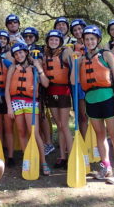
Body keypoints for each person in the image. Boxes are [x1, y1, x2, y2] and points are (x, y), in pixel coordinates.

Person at [71, 25, 114, 184]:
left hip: (108, 97)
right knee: (100, 135)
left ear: (98, 40)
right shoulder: (81, 59)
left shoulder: (106, 54)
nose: (89, 42)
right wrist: (75, 61)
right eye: (86, 39)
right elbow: (73, 81)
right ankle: (106, 167)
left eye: (92, 39)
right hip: (91, 100)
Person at [5, 43, 51, 175]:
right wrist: (9, 107)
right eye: (16, 54)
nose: (19, 55)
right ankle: (28, 160)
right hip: (16, 102)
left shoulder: (34, 67)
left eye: (21, 53)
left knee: (34, 133)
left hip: (31, 102)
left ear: (26, 53)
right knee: (21, 132)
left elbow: (46, 84)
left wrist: (39, 68)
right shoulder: (13, 68)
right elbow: (7, 89)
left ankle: (43, 162)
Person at [43, 30, 74, 169]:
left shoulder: (66, 52)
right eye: (51, 40)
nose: (53, 42)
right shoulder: (45, 54)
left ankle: (72, 155)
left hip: (63, 91)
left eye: (56, 40)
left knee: (64, 126)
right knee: (59, 126)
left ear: (60, 41)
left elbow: (73, 68)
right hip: (51, 92)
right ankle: (62, 156)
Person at [21, 27, 54, 155]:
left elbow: (39, 62)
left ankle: (48, 143)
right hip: (27, 85)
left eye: (31, 36)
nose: (28, 39)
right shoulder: (22, 48)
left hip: (39, 84)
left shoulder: (39, 49)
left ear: (35, 37)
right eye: (26, 36)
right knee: (36, 115)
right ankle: (39, 141)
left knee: (41, 114)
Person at [69, 19, 89, 138]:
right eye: (75, 30)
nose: (78, 32)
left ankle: (96, 141)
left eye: (80, 29)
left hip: (92, 82)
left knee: (93, 113)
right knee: (82, 114)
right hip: (78, 83)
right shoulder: (71, 47)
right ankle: (84, 140)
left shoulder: (93, 42)